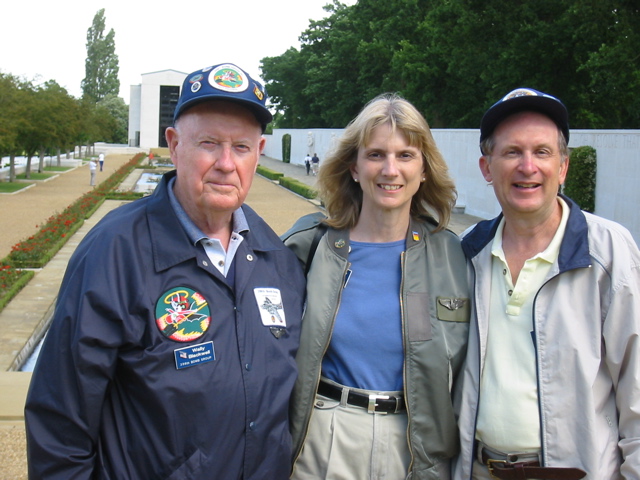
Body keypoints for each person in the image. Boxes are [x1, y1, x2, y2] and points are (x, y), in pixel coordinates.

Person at [25, 62, 306, 479]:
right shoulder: (115, 252)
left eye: (242, 148)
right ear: (174, 146)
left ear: (258, 154)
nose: (227, 163)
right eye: (209, 143)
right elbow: (60, 419)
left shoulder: (275, 258)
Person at [452, 88, 640, 480]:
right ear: (487, 168)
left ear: (563, 167)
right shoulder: (465, 253)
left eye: (541, 152)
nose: (527, 166)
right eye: (511, 152)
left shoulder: (608, 250)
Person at [282, 93, 470, 479]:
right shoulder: (309, 245)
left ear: (423, 170)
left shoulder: (452, 255)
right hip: (325, 438)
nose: (390, 169)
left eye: (405, 155)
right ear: (353, 167)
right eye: (375, 155)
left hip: (414, 448)